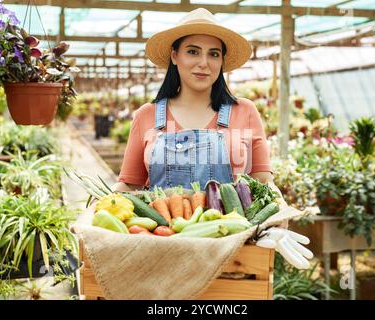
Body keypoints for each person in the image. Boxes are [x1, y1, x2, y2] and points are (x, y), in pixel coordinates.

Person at [112, 8, 286, 207]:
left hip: (233, 234)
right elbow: (129, 185)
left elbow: (263, 180)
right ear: (175, 56)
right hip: (162, 235)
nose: (204, 63)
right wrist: (99, 207)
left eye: (214, 54)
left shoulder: (244, 111)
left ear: (221, 61)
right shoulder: (147, 115)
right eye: (193, 51)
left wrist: (280, 207)